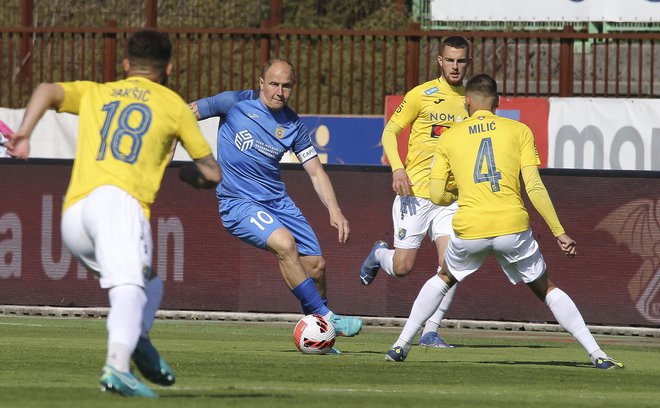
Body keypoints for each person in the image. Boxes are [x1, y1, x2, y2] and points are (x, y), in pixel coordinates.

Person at [6, 30, 222, 396]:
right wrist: (192, 176)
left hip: (74, 214)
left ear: (125, 65)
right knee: (129, 289)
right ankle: (118, 366)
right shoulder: (173, 105)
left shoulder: (97, 92)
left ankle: (136, 339)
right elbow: (212, 172)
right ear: (168, 67)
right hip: (119, 206)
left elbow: (46, 88)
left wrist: (25, 132)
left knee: (147, 283)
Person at [384, 73, 623, 370]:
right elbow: (534, 187)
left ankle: (400, 345)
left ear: (467, 102)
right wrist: (559, 232)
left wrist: (454, 196)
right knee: (547, 289)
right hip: (512, 227)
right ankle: (597, 354)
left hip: (471, 227)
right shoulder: (519, 130)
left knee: (444, 277)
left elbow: (435, 194)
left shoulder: (449, 137)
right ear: (497, 102)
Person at [187, 58, 362, 347]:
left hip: (277, 202)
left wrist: (335, 210)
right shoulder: (233, 103)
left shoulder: (293, 125)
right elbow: (182, 115)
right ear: (261, 83)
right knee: (284, 243)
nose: (279, 91)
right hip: (238, 202)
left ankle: (321, 336)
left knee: (316, 265)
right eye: (274, 84)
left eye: (286, 86)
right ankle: (328, 318)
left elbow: (316, 171)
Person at [359, 36, 471, 348]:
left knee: (453, 265)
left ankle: (431, 330)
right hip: (415, 194)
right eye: (450, 60)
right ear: (439, 60)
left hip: (450, 198)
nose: (455, 66)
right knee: (403, 267)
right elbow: (390, 132)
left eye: (461, 61)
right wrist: (397, 167)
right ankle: (379, 254)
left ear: (468, 63)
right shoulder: (422, 95)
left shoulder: (472, 100)